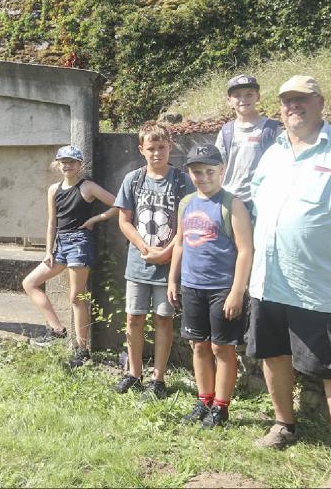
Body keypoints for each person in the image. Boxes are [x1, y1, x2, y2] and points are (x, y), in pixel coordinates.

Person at [247, 75, 331, 450]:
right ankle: (284, 425)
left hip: (317, 283)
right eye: (286, 101)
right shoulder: (273, 152)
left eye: (301, 100)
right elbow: (252, 203)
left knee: (328, 368)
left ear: (320, 103)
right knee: (273, 353)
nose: (292, 107)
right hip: (268, 280)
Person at [168, 145, 253, 428]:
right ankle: (204, 400)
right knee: (199, 346)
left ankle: (221, 407)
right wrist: (173, 278)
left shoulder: (232, 204)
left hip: (222, 290)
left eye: (209, 171)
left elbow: (245, 250)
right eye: (196, 171)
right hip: (192, 287)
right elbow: (180, 242)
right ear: (189, 172)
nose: (202, 176)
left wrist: (237, 292)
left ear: (221, 170)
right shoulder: (186, 203)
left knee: (222, 349)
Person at [114, 123, 193, 400]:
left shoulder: (182, 181)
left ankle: (158, 378)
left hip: (169, 265)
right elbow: (124, 220)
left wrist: (167, 252)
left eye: (161, 147)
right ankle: (133, 373)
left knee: (163, 319)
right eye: (151, 148)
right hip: (138, 264)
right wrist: (142, 246)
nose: (156, 153)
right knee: (134, 318)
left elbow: (187, 224)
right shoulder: (133, 180)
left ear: (170, 147)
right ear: (141, 150)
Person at [21, 146, 118, 369]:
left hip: (80, 243)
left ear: (79, 164)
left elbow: (119, 204)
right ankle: (57, 330)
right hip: (60, 245)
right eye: (63, 162)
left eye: (72, 162)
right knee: (30, 283)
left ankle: (82, 350)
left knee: (76, 298)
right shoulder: (53, 189)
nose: (67, 165)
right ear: (58, 164)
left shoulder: (88, 186)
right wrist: (48, 251)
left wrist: (95, 220)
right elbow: (52, 222)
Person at [214, 75, 281, 215]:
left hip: (262, 203)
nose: (243, 100)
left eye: (249, 94)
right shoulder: (226, 131)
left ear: (258, 96)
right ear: (229, 101)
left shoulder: (272, 129)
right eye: (237, 96)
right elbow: (219, 169)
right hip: (229, 201)